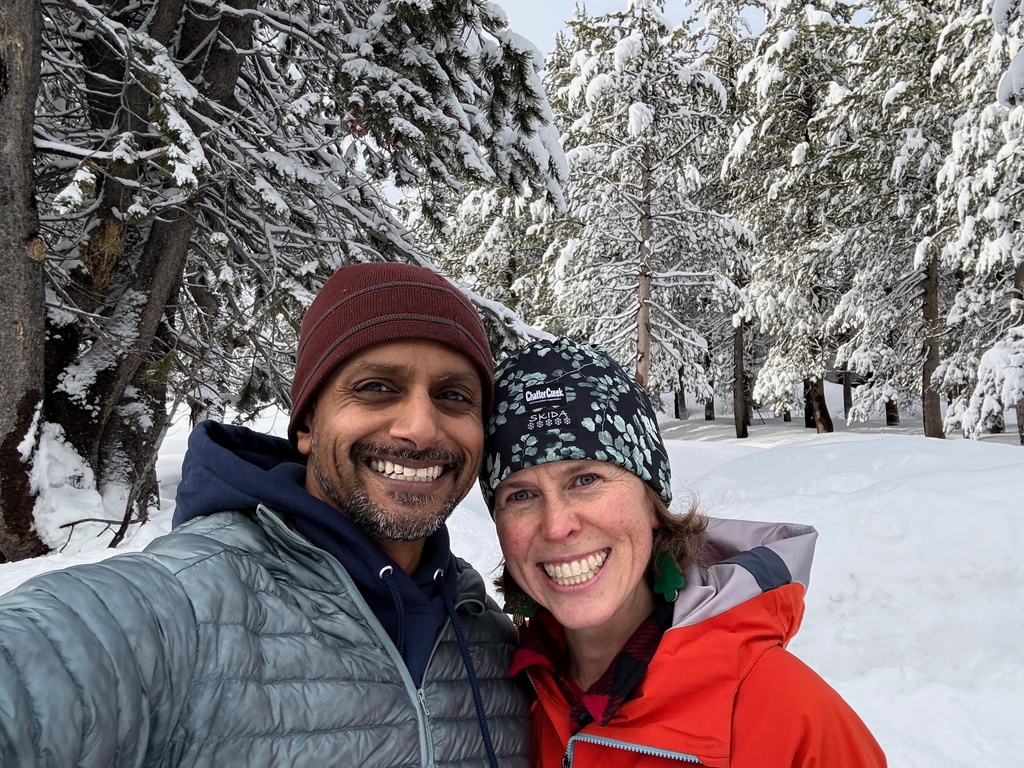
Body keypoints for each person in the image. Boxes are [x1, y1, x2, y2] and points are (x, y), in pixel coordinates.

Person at [0, 263, 528, 768]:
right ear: (306, 426)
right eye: (376, 387)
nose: (421, 427)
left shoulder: (495, 646)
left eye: (454, 396)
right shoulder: (185, 607)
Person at [479, 337, 887, 768]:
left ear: (652, 503)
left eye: (585, 480)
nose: (558, 526)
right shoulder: (502, 697)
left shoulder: (785, 714)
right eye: (520, 495)